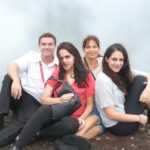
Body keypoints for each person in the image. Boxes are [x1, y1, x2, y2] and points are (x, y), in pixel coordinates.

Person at [11, 42, 95, 150]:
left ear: (75, 56)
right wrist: (59, 100)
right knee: (44, 110)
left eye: (67, 57)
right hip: (56, 113)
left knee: (71, 126)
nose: (64, 61)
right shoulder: (57, 73)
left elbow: (90, 105)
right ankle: (17, 146)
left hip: (72, 118)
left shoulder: (86, 76)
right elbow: (43, 99)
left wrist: (82, 119)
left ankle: (37, 133)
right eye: (61, 58)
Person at [0, 33, 58, 146]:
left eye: (50, 44)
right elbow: (12, 65)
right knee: (9, 78)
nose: (46, 47)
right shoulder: (32, 56)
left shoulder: (59, 64)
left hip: (39, 103)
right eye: (43, 44)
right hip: (22, 95)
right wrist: (16, 81)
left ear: (55, 46)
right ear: (39, 46)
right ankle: (1, 114)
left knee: (26, 120)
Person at [95, 43, 150, 136]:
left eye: (121, 60)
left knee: (142, 80)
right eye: (114, 59)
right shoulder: (104, 80)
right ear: (106, 59)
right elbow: (111, 115)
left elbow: (148, 75)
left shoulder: (121, 71)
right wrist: (139, 118)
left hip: (123, 110)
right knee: (141, 80)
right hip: (119, 126)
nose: (118, 63)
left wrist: (147, 90)